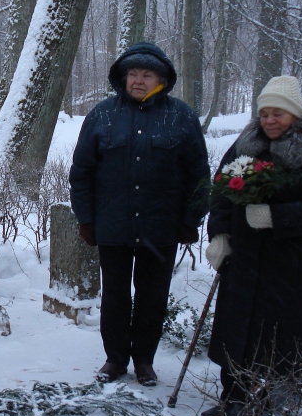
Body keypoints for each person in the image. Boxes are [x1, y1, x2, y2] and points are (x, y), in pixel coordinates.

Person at [204, 75, 302, 416]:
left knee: (272, 333)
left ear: (296, 116)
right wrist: (219, 235)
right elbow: (221, 191)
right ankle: (232, 396)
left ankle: (259, 400)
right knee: (238, 328)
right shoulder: (246, 144)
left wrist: (277, 216)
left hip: (287, 262)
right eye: (265, 113)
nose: (270, 120)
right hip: (243, 258)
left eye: (278, 114)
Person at [70, 42, 210, 387]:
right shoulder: (102, 115)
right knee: (115, 297)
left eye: (146, 74)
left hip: (160, 227)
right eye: (133, 73)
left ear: (161, 79)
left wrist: (191, 220)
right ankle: (116, 359)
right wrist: (86, 219)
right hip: (113, 226)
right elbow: (82, 171)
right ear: (123, 77)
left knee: (152, 298)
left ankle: (144, 360)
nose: (138, 80)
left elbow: (199, 175)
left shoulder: (181, 117)